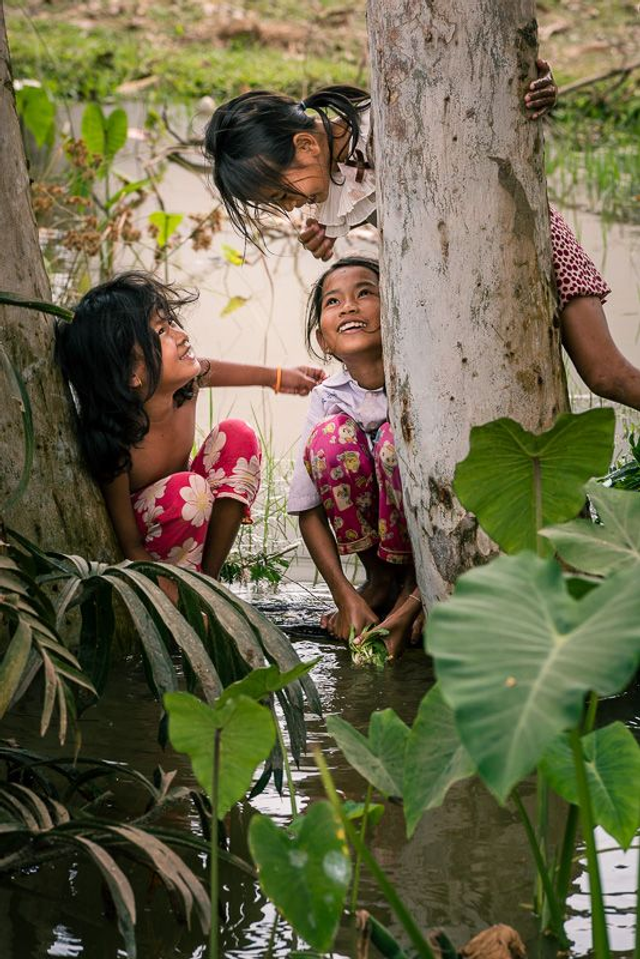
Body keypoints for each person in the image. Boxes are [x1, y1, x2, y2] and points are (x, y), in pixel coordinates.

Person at [205, 79, 640, 410]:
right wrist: (324, 230)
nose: (294, 205)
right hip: (474, 277)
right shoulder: (330, 183)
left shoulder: (392, 115)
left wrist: (525, 80)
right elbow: (352, 212)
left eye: (285, 194)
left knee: (605, 375)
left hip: (531, 242)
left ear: (304, 144)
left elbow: (476, 91)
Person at [56, 272, 324, 601]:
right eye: (162, 331)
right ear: (131, 375)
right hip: (155, 540)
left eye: (170, 322)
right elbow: (130, 544)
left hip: (191, 514)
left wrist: (280, 378)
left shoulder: (185, 387)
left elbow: (217, 369)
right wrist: (172, 604)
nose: (182, 335)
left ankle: (208, 586)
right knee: (187, 490)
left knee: (237, 435)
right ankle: (188, 597)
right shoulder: (116, 442)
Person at [288, 256, 423, 658]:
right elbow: (307, 509)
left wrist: (422, 597)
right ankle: (378, 581)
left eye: (365, 293)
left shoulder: (422, 381)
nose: (348, 306)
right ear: (323, 339)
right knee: (331, 441)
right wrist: (343, 595)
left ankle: (411, 589)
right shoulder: (327, 398)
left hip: (428, 562)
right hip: (376, 561)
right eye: (333, 301)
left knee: (392, 443)